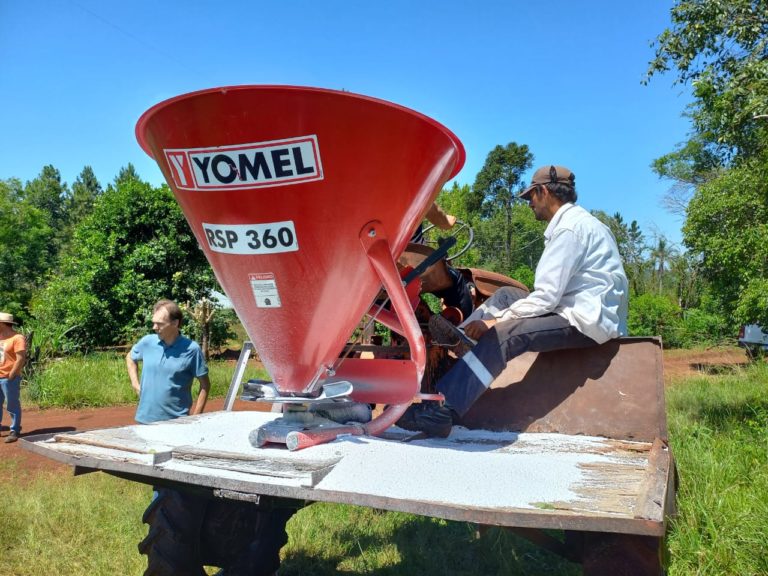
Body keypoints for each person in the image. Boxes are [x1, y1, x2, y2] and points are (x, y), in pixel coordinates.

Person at [398, 165, 629, 437]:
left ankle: (442, 412)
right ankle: (462, 337)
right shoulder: (582, 223)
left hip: (585, 319)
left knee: (504, 335)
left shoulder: (569, 231)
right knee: (506, 296)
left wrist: (495, 322)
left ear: (544, 191)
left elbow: (546, 297)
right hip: (574, 306)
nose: (530, 204)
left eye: (531, 196)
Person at [126, 299, 210, 424]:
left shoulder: (191, 349)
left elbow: (205, 385)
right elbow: (130, 357)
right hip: (144, 420)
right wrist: (135, 384)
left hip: (176, 423)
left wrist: (195, 419)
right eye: (153, 323)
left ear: (175, 323)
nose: (154, 327)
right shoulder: (147, 342)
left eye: (159, 324)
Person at [411, 202, 474, 319]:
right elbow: (445, 223)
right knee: (457, 280)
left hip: (378, 272)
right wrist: (447, 220)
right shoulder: (406, 187)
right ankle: (464, 326)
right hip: (414, 264)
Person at [0, 312, 27, 444]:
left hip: (9, 377)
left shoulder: (17, 338)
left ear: (2, 323)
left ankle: (15, 430)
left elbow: (21, 358)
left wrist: (12, 374)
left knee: (12, 405)